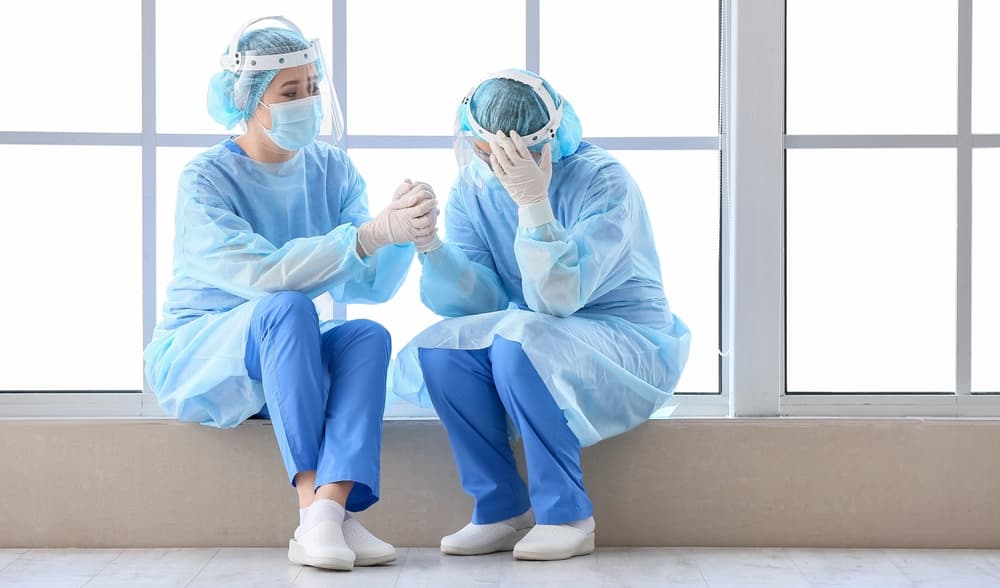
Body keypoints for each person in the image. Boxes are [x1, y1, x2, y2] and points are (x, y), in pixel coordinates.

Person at [143, 17, 438, 571]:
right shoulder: (204, 180)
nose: (307, 102)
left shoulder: (331, 169)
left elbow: (367, 283)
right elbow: (263, 277)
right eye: (289, 92)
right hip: (206, 354)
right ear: (248, 99)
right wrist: (367, 235)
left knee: (364, 336)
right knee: (286, 306)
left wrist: (401, 231)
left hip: (289, 354)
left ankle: (332, 510)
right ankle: (312, 511)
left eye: (312, 87)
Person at [391, 69, 690, 561]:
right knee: (444, 349)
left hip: (628, 342)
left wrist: (534, 205)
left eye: (512, 155)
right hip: (541, 336)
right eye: (486, 152)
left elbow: (559, 299)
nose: (495, 165)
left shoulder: (603, 182)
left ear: (547, 141)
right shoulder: (474, 188)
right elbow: (478, 305)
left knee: (518, 342)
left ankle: (567, 515)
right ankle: (500, 508)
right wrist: (431, 247)